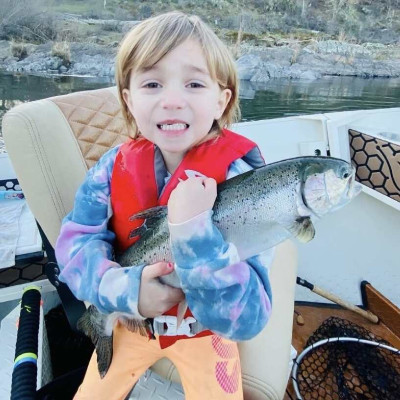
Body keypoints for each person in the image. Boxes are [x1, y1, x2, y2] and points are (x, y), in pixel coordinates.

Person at [55, 11, 274, 400]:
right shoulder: (110, 170)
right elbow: (75, 247)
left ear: (222, 100)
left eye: (193, 83)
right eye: (153, 83)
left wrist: (194, 229)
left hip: (207, 333)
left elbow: (248, 317)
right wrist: (125, 291)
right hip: (131, 324)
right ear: (129, 99)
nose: (172, 101)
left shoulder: (245, 180)